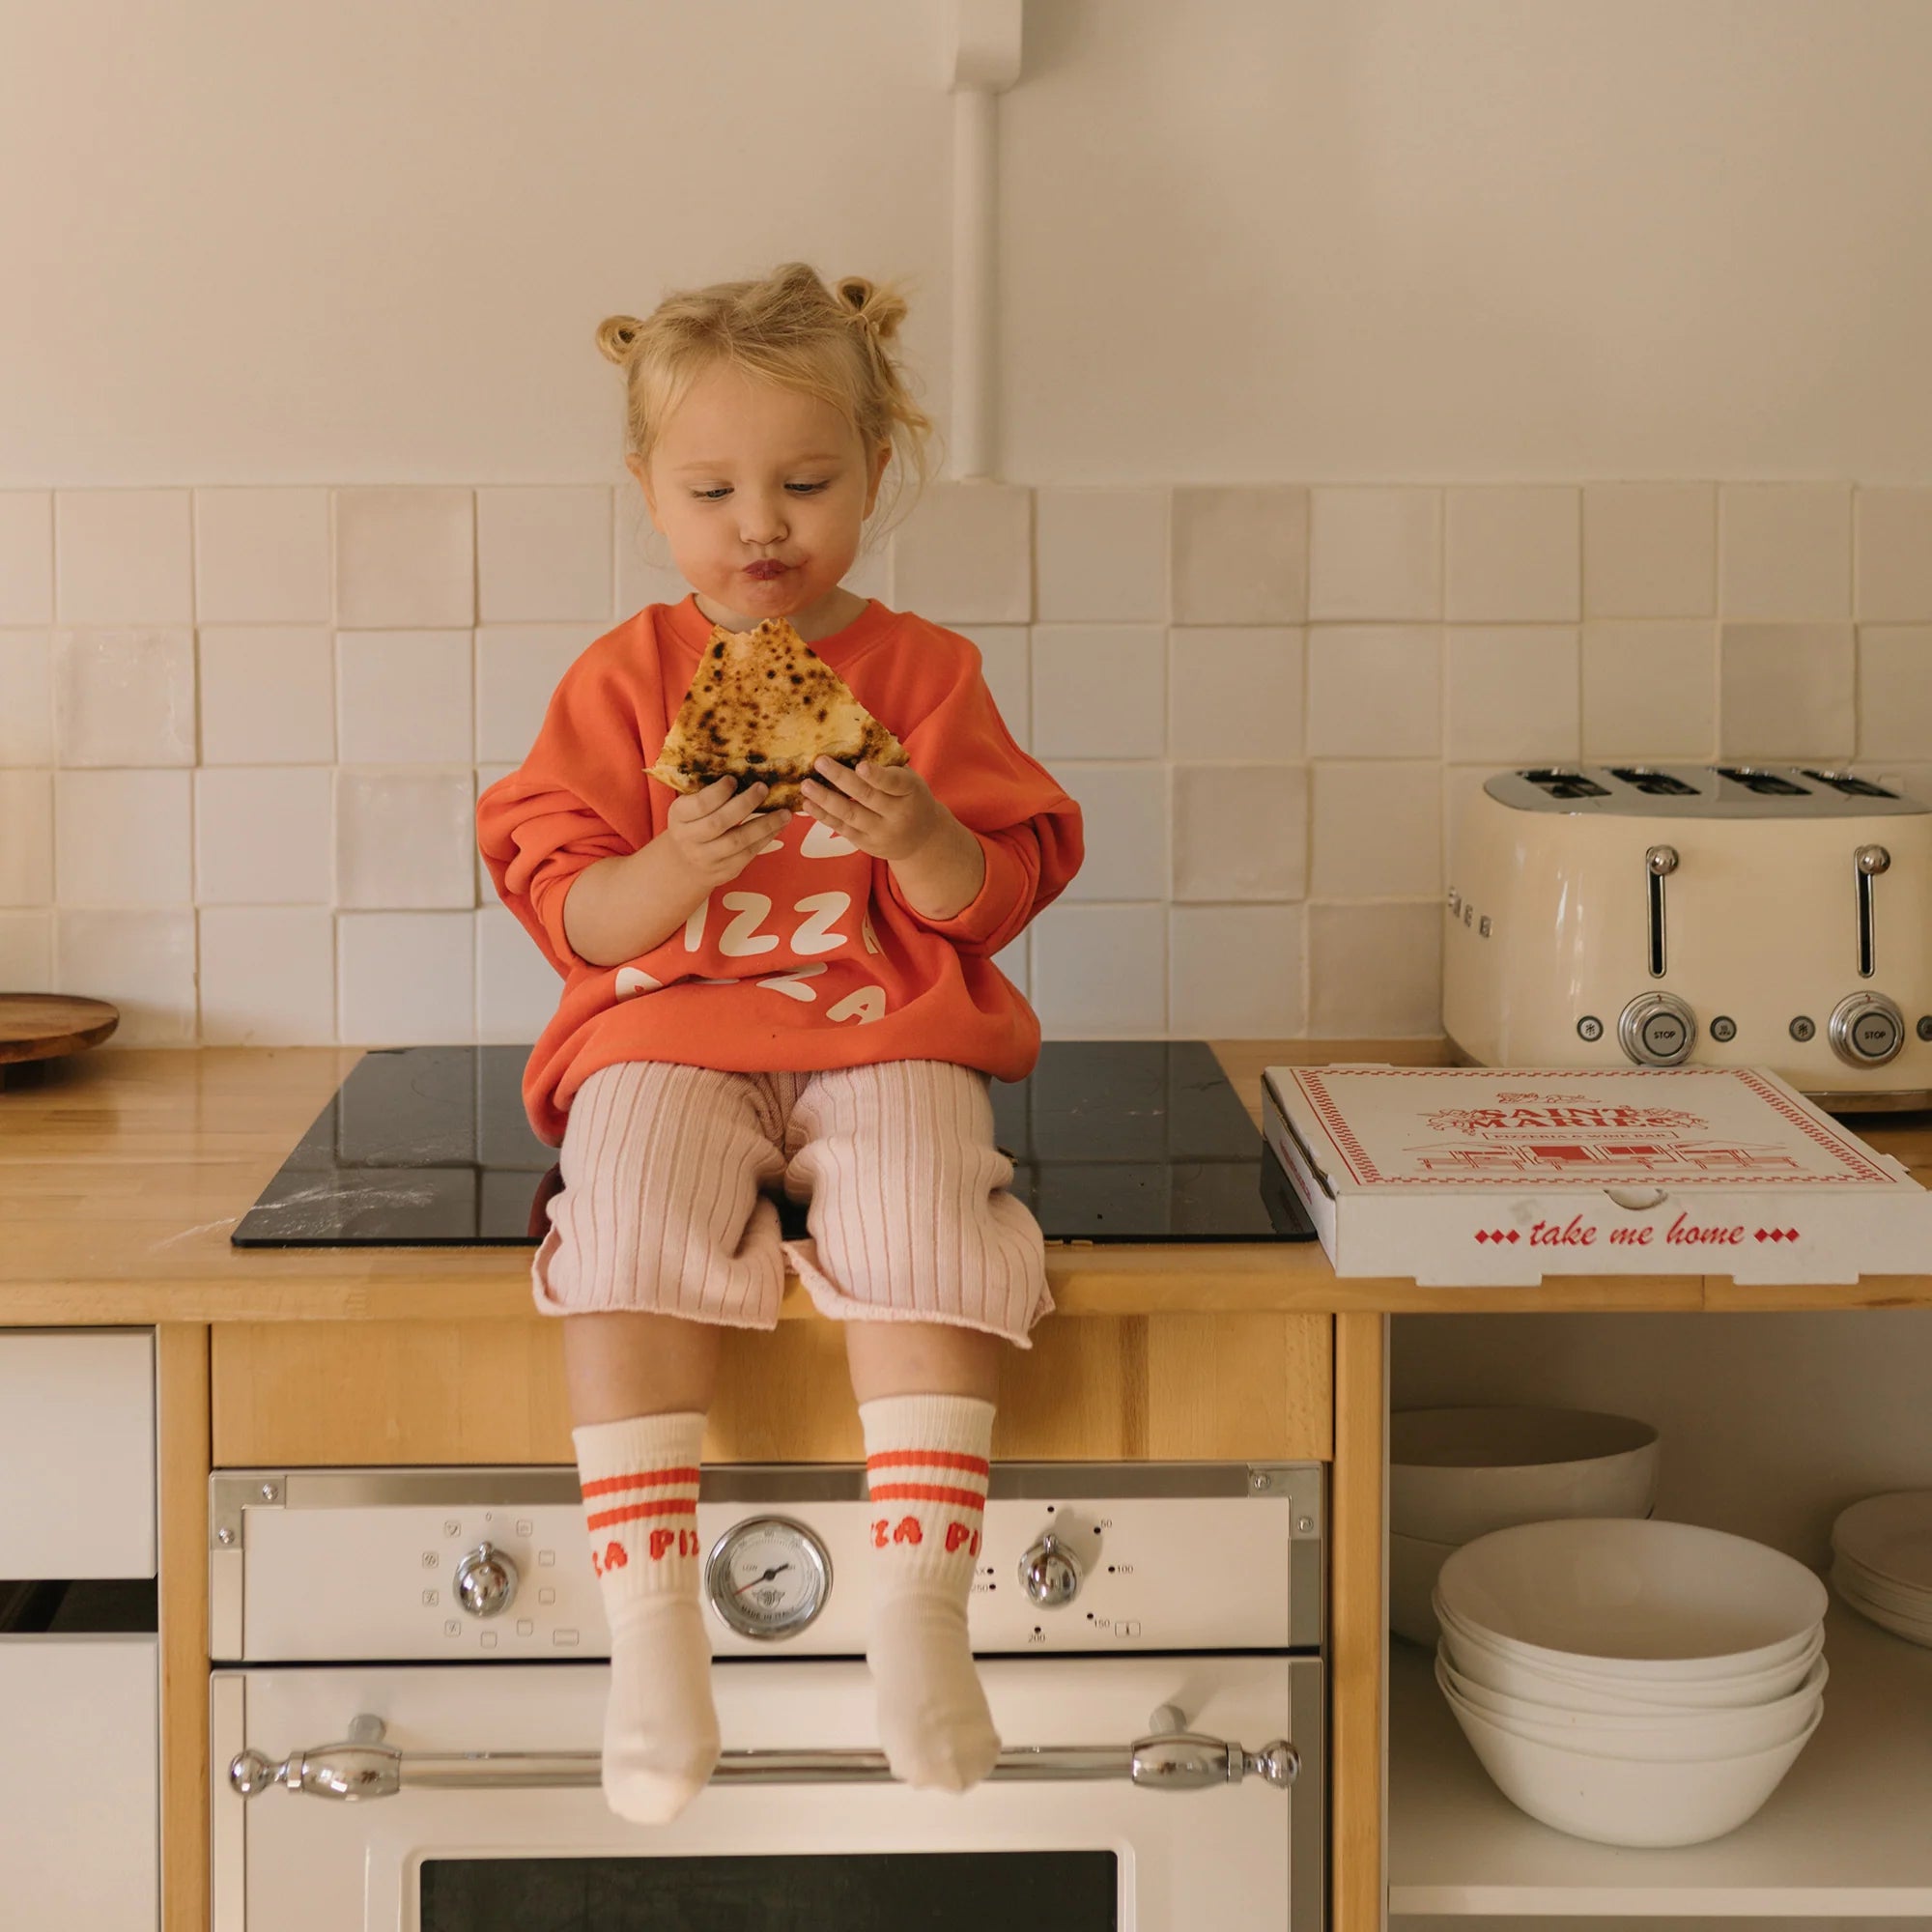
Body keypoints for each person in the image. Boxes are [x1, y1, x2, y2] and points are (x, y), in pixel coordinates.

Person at [477, 261, 1084, 1826]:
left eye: (807, 483)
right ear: (648, 495)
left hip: (888, 1029)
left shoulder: (925, 674)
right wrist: (676, 862)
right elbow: (580, 922)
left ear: (877, 473)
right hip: (666, 1032)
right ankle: (653, 1640)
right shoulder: (623, 682)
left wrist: (923, 832)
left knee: (925, 1215)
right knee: (620, 1220)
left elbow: (993, 899)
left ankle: (919, 1620)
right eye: (715, 489)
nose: (764, 525)